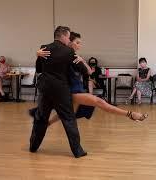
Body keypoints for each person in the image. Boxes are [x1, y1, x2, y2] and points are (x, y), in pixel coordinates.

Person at [35, 32, 148, 126]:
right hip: (69, 90)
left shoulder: (75, 57)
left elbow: (89, 72)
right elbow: (44, 66)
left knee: (68, 112)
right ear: (69, 43)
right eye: (77, 43)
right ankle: (131, 114)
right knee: (100, 102)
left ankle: (46, 124)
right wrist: (38, 55)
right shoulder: (63, 55)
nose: (80, 45)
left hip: (76, 88)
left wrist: (82, 61)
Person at [29, 26, 87, 158]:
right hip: (61, 90)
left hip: (45, 89)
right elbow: (83, 70)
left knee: (41, 118)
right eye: (68, 37)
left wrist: (37, 56)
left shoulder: (44, 48)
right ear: (64, 36)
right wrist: (81, 61)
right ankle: (78, 151)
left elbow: (39, 69)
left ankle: (33, 146)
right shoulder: (68, 51)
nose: (69, 40)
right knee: (68, 119)